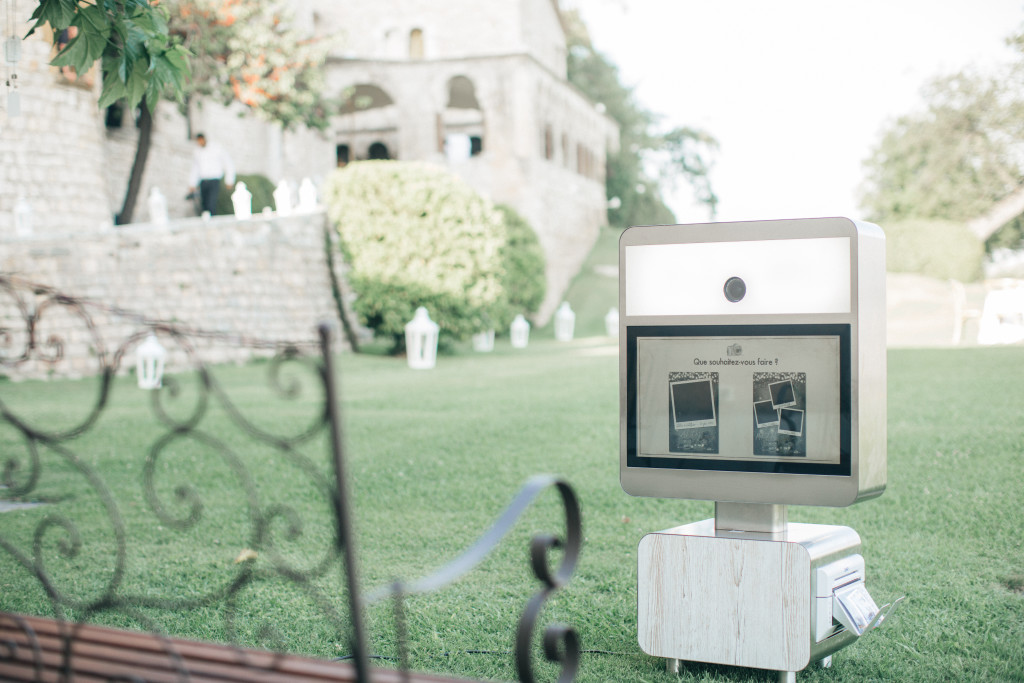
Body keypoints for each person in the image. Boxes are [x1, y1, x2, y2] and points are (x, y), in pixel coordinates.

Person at [188, 133, 236, 216]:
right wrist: (192, 183)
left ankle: (212, 221)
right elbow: (195, 168)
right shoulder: (197, 152)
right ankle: (206, 222)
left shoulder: (216, 148)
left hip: (214, 180)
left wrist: (229, 180)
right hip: (203, 181)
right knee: (204, 204)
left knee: (212, 203)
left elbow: (228, 163)